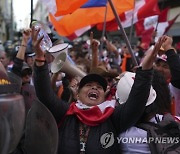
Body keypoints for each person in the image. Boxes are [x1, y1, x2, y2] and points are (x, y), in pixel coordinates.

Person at [31, 26, 163, 153]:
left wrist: (145, 71)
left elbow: (137, 101)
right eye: (88, 85)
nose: (94, 87)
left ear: (104, 96)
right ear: (77, 94)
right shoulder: (67, 113)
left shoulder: (113, 118)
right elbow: (45, 94)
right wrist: (40, 60)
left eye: (99, 87)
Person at [154, 36, 180, 116]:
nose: (160, 69)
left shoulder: (175, 87)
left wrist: (168, 47)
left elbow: (178, 76)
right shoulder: (152, 83)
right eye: (158, 65)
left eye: (165, 67)